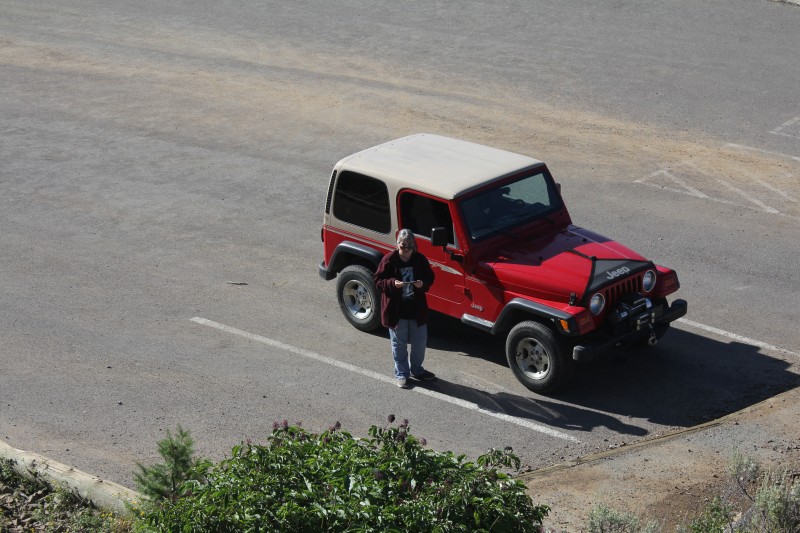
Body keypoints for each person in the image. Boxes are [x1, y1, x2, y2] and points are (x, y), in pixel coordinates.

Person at [374, 229, 436, 388]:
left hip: (417, 311)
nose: (406, 248)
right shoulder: (388, 260)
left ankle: (417, 370)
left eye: (409, 245)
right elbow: (378, 281)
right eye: (403, 245)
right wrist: (392, 284)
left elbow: (430, 277)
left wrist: (423, 284)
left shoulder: (420, 259)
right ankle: (401, 374)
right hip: (397, 312)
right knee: (399, 346)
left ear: (414, 245)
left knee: (420, 344)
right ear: (397, 244)